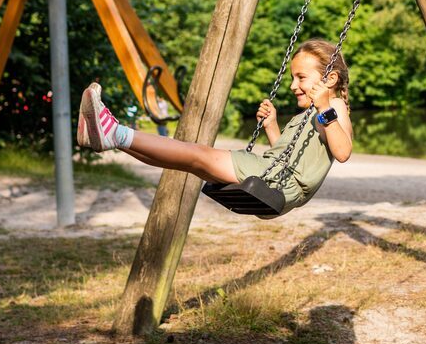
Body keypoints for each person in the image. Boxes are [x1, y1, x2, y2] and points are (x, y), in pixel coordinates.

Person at [77, 39, 353, 213]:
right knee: (187, 162)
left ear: (330, 80)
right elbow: (287, 154)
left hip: (281, 184)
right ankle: (111, 138)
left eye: (301, 77)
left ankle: (115, 132)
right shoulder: (311, 114)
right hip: (276, 178)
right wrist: (271, 126)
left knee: (197, 154)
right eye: (293, 78)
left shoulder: (334, 107)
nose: (293, 85)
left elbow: (342, 152)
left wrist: (325, 109)